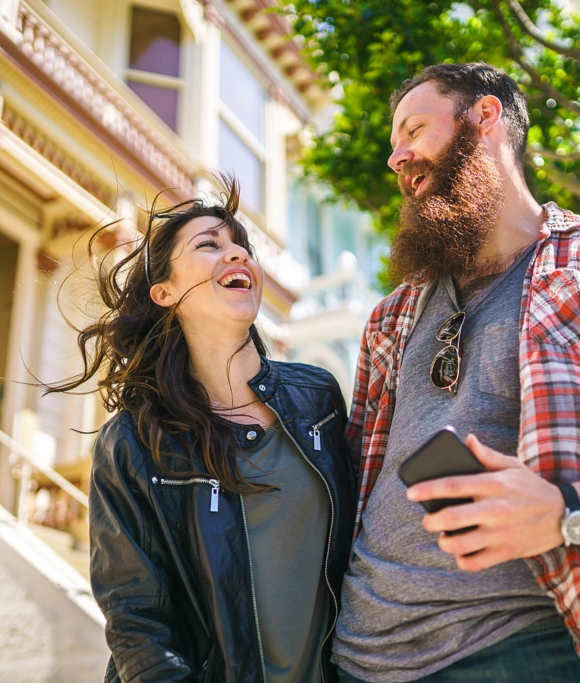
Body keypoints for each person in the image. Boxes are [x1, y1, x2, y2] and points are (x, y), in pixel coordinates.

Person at [332, 63, 580, 683]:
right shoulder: (390, 317)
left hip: (522, 649)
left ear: (486, 117)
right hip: (357, 656)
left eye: (414, 129)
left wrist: (565, 510)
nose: (397, 157)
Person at [47, 179, 356, 682]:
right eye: (209, 245)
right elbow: (137, 620)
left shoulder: (319, 399)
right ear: (165, 292)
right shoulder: (133, 442)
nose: (236, 255)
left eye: (241, 247)